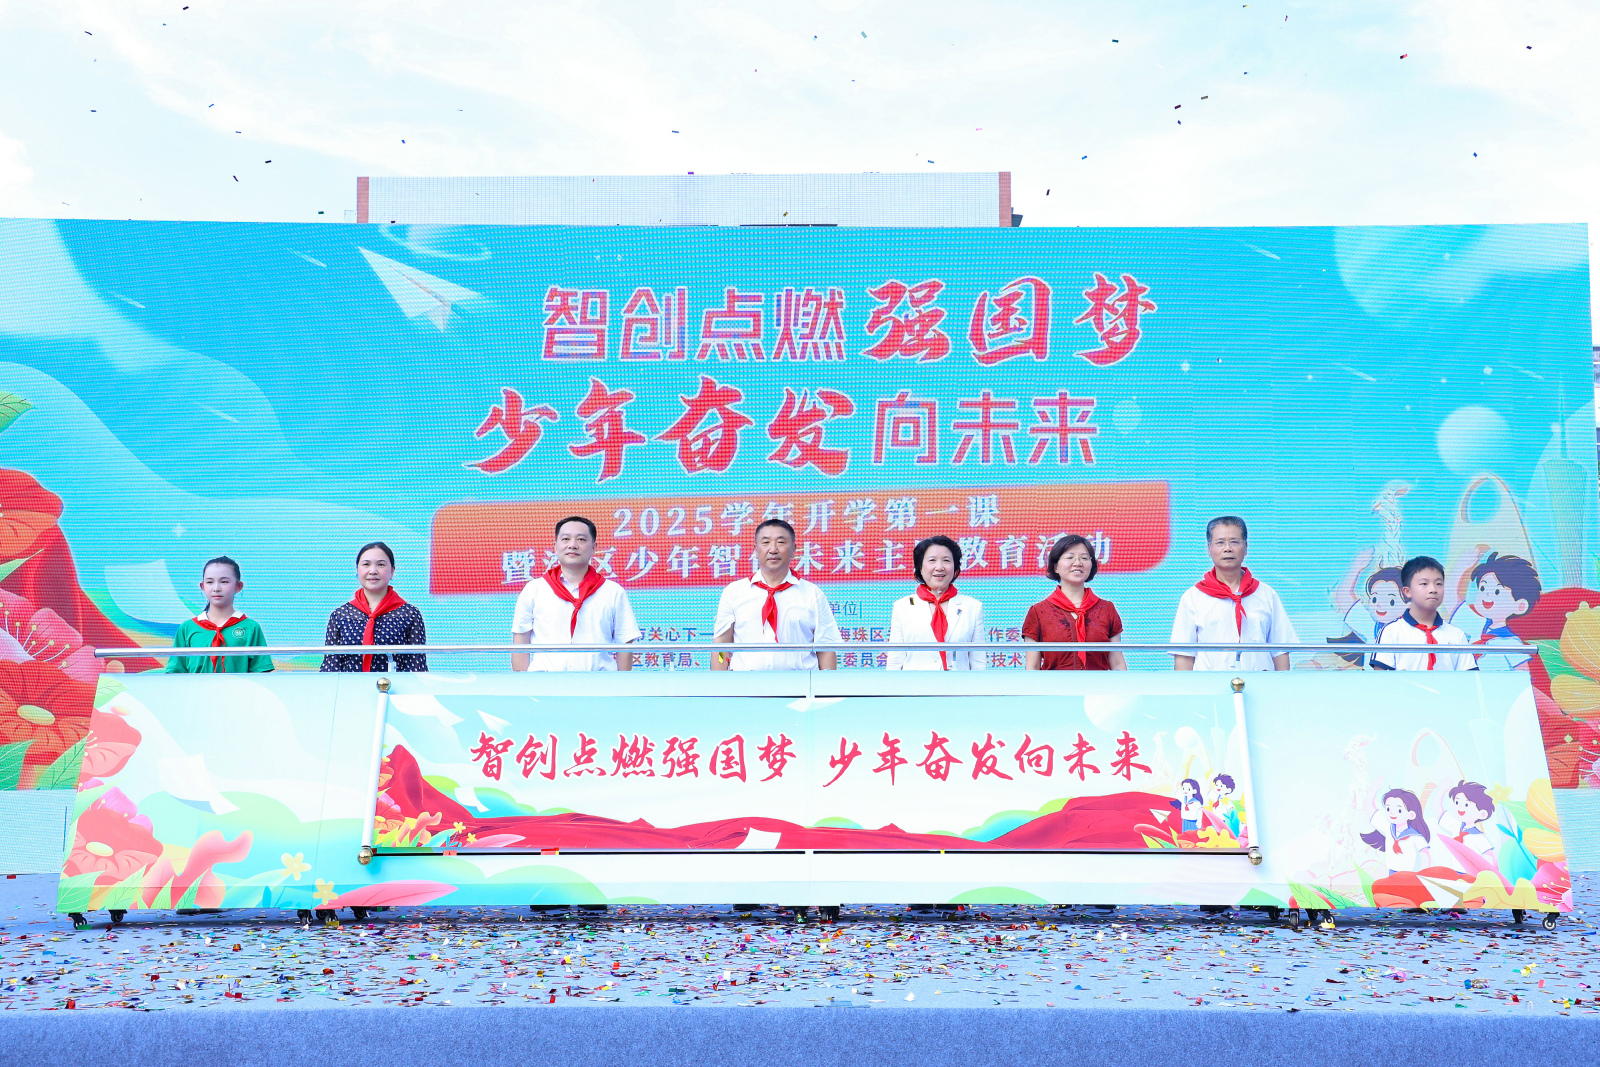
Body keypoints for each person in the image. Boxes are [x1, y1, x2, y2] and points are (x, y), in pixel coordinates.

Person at [512, 516, 641, 671]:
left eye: (581, 539)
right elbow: (521, 642)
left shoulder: (613, 592)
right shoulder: (534, 589)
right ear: (555, 546)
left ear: (594, 547)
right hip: (545, 682)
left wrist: (622, 684)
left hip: (600, 682)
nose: (572, 545)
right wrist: (523, 683)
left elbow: (624, 644)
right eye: (565, 539)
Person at [1170, 516, 1296, 671]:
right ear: (1209, 549)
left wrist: (1281, 685)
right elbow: (1184, 656)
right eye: (1220, 542)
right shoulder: (1193, 598)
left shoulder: (1266, 594)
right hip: (1209, 684)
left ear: (1246, 547)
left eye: (1234, 542)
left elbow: (1280, 651)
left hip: (1261, 683)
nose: (1227, 549)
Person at [712, 519, 839, 671]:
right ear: (755, 549)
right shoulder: (734, 592)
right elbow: (721, 647)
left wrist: (826, 686)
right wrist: (719, 682)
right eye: (765, 542)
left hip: (800, 683)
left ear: (794, 549)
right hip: (746, 683)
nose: (773, 549)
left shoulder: (812, 594)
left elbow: (826, 649)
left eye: (781, 542)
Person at [320, 541, 428, 673]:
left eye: (381, 565)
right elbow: (330, 667)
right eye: (366, 564)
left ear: (392, 570)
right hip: (350, 685)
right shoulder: (340, 615)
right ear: (357, 569)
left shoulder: (410, 614)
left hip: (393, 685)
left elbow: (417, 668)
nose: (373, 571)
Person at [1023, 534, 1125, 670]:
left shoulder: (1106, 609)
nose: (1077, 563)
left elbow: (1117, 663)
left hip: (1098, 684)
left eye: (1084, 558)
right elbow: (1032, 666)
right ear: (1056, 566)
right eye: (1070, 557)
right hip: (1054, 684)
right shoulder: (1038, 612)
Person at [886, 535, 986, 671]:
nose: (939, 567)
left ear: (955, 567)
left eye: (946, 560)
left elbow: (978, 662)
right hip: (915, 684)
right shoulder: (902, 606)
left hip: (959, 683)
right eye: (932, 560)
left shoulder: (972, 607)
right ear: (920, 567)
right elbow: (894, 661)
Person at [166, 556, 273, 674]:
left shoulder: (251, 627)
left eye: (224, 582)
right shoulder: (187, 628)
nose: (216, 588)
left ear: (238, 586)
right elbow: (176, 672)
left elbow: (261, 674)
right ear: (202, 586)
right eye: (210, 582)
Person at [1371, 555, 1477, 671]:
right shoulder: (1391, 631)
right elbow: (1380, 678)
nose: (1433, 590)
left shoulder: (1457, 635)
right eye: (1424, 584)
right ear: (1407, 591)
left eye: (1438, 584)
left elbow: (1470, 678)